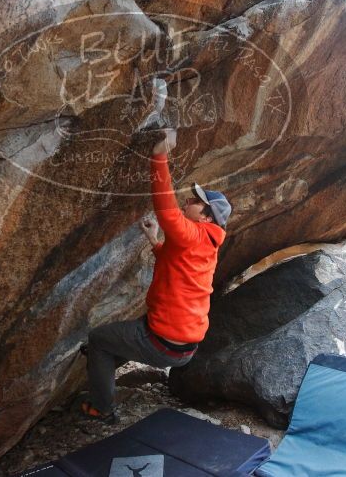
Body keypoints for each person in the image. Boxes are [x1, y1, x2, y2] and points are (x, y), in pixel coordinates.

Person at [80, 129, 232, 423]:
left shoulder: (191, 234)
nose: (188, 200)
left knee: (98, 340)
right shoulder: (207, 242)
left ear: (206, 217)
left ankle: (102, 410)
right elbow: (179, 265)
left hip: (163, 342)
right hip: (182, 343)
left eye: (195, 202)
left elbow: (165, 207)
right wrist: (154, 241)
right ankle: (108, 365)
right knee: (118, 339)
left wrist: (159, 154)